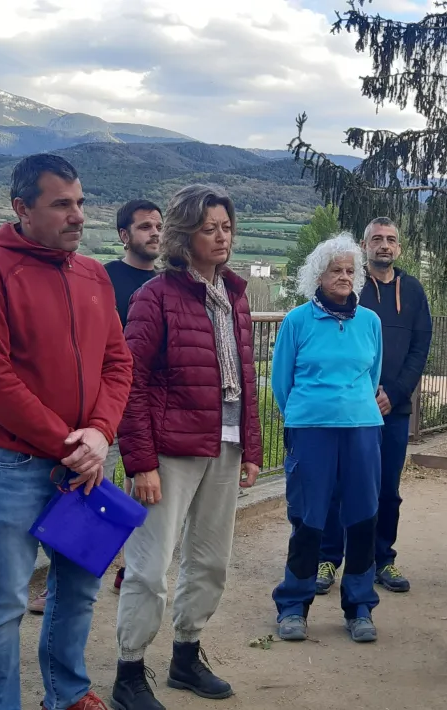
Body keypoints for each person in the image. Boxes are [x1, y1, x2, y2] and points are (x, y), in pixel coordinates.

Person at [0, 153, 133, 710]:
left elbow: (117, 362)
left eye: (79, 202)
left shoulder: (93, 275)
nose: (77, 215)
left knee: (78, 590)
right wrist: (72, 445)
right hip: (12, 465)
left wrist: (101, 434)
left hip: (85, 462)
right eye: (61, 204)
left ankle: (67, 692)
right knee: (3, 600)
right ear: (21, 209)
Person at [111, 184, 262, 710]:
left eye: (226, 227)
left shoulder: (235, 295)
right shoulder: (157, 295)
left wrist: (252, 448)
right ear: (184, 234)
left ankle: (185, 655)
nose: (221, 237)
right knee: (149, 567)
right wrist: (141, 462)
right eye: (208, 228)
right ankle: (129, 670)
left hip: (223, 444)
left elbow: (243, 378)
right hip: (170, 450)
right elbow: (132, 381)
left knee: (210, 560)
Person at [28, 198, 162, 615]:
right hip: (100, 412)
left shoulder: (163, 286)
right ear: (124, 235)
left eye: (159, 226)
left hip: (142, 410)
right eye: (144, 227)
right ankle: (59, 581)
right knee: (79, 495)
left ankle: (125, 568)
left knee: (137, 495)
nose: (155, 233)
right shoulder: (102, 278)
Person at [270, 233, 384, 645]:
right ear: (318, 275)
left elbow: (372, 378)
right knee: (308, 519)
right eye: (336, 270)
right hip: (311, 429)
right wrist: (308, 414)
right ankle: (293, 606)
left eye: (350, 271)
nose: (344, 277)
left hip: (362, 429)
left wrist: (352, 407)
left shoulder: (370, 322)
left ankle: (359, 607)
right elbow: (281, 382)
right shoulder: (297, 320)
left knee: (363, 517)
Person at [317, 216, 432, 596]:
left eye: (391, 239)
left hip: (393, 409)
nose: (384, 245)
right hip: (351, 409)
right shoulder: (351, 287)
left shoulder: (413, 292)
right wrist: (363, 394)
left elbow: (420, 349)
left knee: (387, 489)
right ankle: (328, 558)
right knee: (337, 485)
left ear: (399, 248)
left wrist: (396, 393)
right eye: (377, 239)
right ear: (365, 245)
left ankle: (382, 558)